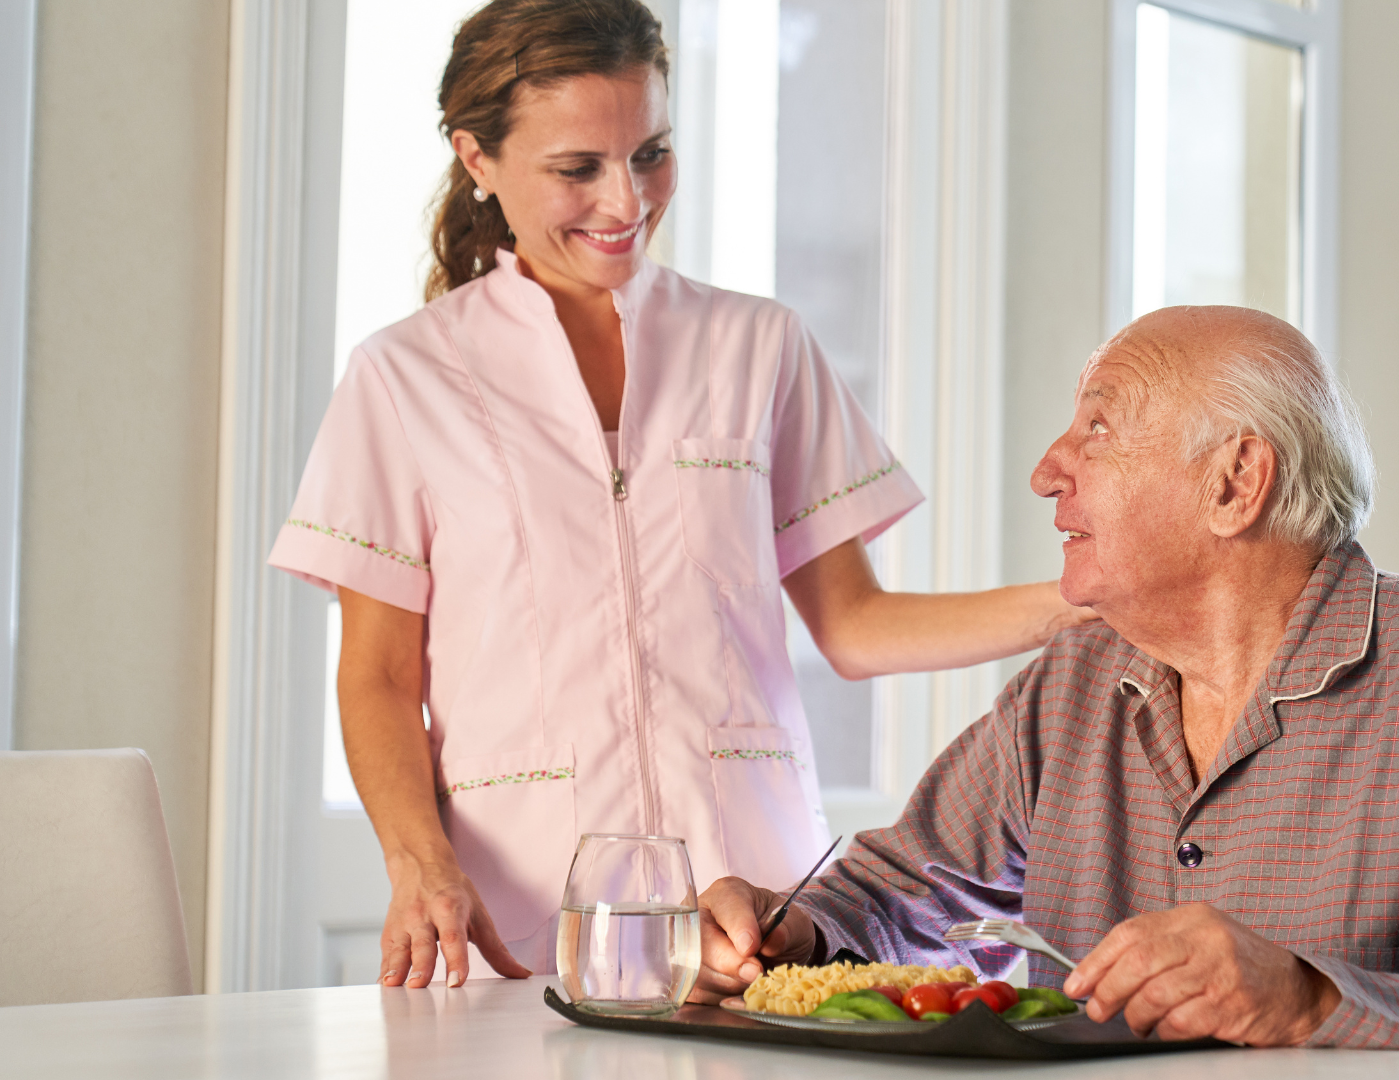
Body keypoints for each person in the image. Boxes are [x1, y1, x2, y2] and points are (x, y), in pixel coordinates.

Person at [268, 0, 1086, 991]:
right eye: (578, 168)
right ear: (476, 159)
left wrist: (1081, 605)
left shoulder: (757, 347)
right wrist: (419, 860)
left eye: (650, 152)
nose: (627, 200)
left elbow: (856, 626)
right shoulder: (404, 381)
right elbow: (379, 681)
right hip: (527, 920)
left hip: (762, 912)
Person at [694, 306, 1399, 1067]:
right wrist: (794, 932)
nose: (1045, 471)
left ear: (1237, 482)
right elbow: (898, 890)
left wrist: (1310, 1001)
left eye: (1099, 429)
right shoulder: (1074, 680)